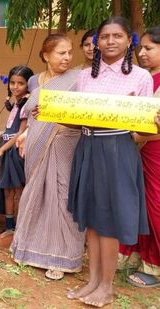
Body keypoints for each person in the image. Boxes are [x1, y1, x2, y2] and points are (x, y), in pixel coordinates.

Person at [67, 17, 152, 307]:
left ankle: (106, 287)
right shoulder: (84, 76)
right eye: (104, 37)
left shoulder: (141, 77)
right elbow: (75, 119)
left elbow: (144, 131)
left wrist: (152, 123)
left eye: (118, 36)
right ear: (96, 42)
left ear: (130, 40)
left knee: (110, 220)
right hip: (87, 146)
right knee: (91, 216)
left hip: (118, 149)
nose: (110, 41)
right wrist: (51, 112)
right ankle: (92, 281)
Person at [11, 34, 85, 281]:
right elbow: (35, 115)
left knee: (62, 195)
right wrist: (25, 135)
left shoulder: (78, 79)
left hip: (66, 141)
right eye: (61, 53)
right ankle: (28, 248)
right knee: (35, 192)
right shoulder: (34, 81)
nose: (67, 58)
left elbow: (82, 115)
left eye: (69, 52)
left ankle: (61, 257)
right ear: (46, 55)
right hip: (36, 142)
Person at [118, 25, 160, 289]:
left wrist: (136, 136)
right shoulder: (145, 77)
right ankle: (140, 257)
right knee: (139, 206)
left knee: (155, 207)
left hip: (154, 150)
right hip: (137, 149)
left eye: (149, 48)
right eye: (141, 48)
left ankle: (155, 266)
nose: (142, 53)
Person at [0, 65, 33, 231]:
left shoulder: (26, 105)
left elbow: (20, 134)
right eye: (12, 83)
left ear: (28, 85)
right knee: (8, 190)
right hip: (8, 150)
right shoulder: (16, 104)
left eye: (20, 83)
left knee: (19, 190)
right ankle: (9, 226)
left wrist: (1, 150)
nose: (15, 87)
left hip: (16, 150)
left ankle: (22, 226)